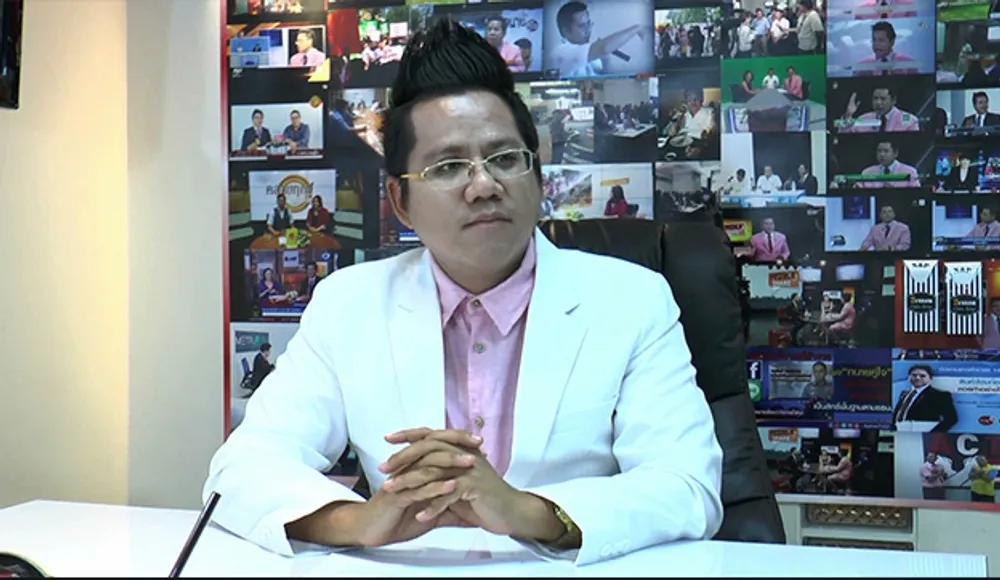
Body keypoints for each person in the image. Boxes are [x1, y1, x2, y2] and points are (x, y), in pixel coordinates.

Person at [204, 19, 723, 564]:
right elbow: (239, 471)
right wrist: (362, 520)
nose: (484, 186)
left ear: (538, 176)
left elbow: (687, 487)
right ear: (400, 202)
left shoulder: (631, 301)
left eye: (505, 159)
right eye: (449, 167)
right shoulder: (349, 305)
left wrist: (526, 511)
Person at [549, 1, 650, 78]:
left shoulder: (588, 51)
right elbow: (604, 48)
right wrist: (637, 28)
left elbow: (607, 75)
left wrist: (605, 59)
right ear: (566, 31)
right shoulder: (561, 52)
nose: (588, 30)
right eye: (582, 26)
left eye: (589, 23)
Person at [891, 364, 958, 433]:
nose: (917, 378)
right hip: (898, 433)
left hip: (920, 435)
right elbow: (897, 414)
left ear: (930, 378)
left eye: (922, 376)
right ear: (909, 377)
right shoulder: (904, 394)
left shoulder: (940, 395)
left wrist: (932, 434)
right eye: (914, 375)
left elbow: (951, 419)